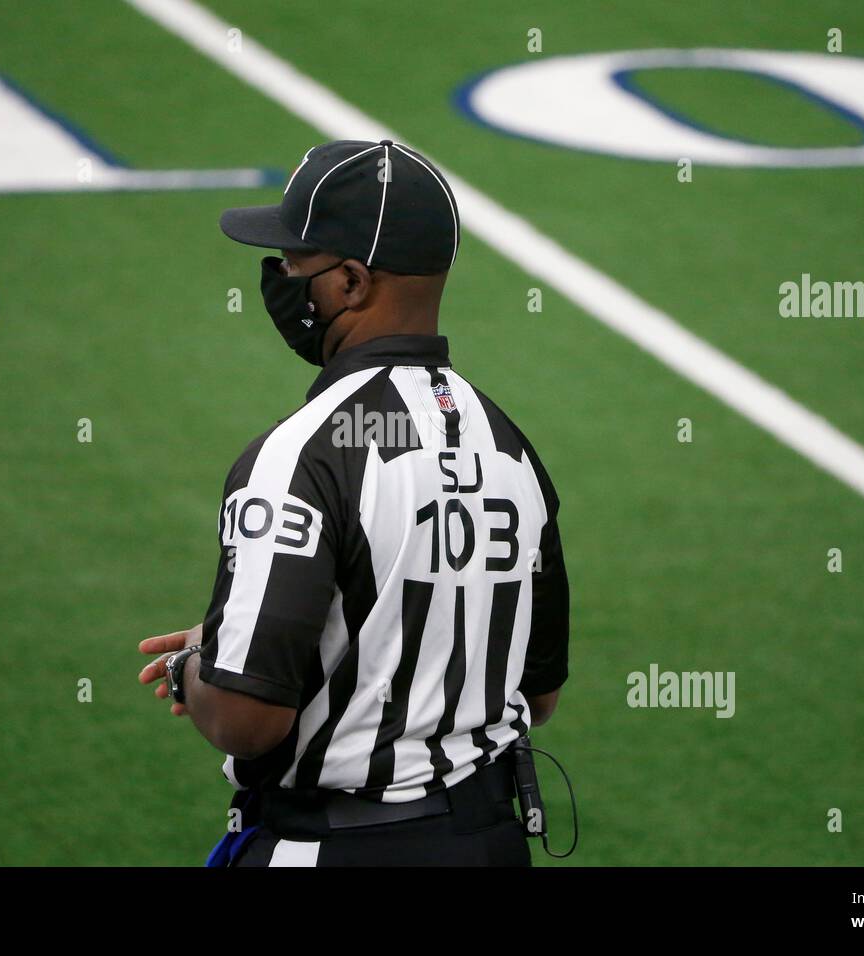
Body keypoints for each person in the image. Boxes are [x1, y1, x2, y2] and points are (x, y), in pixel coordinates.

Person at [138, 139, 569, 866]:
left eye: (292, 265)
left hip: (337, 848)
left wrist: (202, 665)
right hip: (490, 844)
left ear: (349, 283)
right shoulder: (511, 448)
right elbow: (537, 689)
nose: (279, 280)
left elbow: (248, 720)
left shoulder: (300, 455)